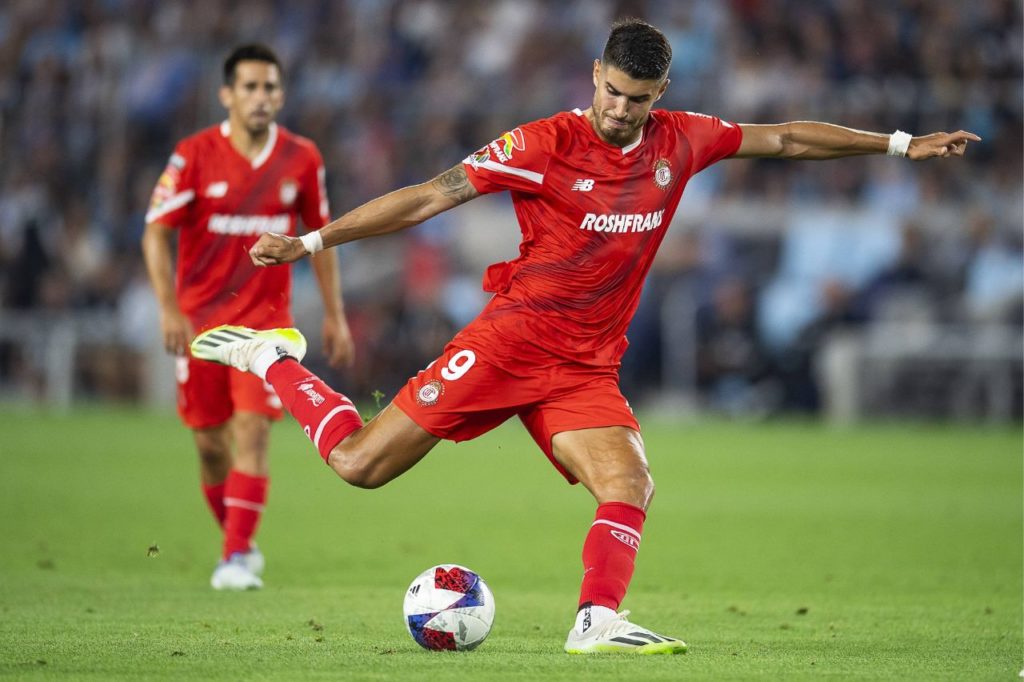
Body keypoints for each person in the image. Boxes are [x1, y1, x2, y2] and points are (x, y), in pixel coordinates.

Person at [189, 20, 978, 650]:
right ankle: (271, 357)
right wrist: (312, 243)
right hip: (511, 341)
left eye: (638, 98)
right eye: (612, 92)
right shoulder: (541, 145)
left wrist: (901, 145)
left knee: (630, 483)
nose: (621, 110)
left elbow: (787, 139)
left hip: (585, 365)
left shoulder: (683, 139)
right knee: (360, 465)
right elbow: (431, 197)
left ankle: (595, 622)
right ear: (594, 76)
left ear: (660, 92)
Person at [142, 44, 354, 591]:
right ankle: (239, 540)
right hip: (203, 327)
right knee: (210, 444)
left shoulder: (302, 158)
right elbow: (156, 231)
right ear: (227, 94)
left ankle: (234, 557)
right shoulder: (193, 155)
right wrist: (167, 307)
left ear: (281, 95)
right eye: (251, 87)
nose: (262, 98)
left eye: (271, 88)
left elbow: (320, 239)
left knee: (252, 432)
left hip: (266, 327)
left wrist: (335, 315)